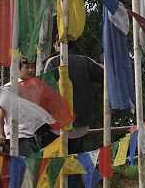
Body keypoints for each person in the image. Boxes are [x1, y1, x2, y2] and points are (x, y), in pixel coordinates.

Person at [44, 40, 104, 187]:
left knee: (55, 166)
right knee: (76, 163)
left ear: (58, 44)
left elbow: (44, 92)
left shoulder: (53, 61)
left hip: (58, 127)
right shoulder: (86, 61)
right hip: (81, 126)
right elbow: (105, 73)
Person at [0, 58, 42, 157]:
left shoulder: (35, 87)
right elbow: (0, 114)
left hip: (32, 136)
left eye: (32, 67)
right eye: (27, 67)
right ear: (18, 70)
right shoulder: (9, 87)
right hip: (16, 136)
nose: (31, 70)